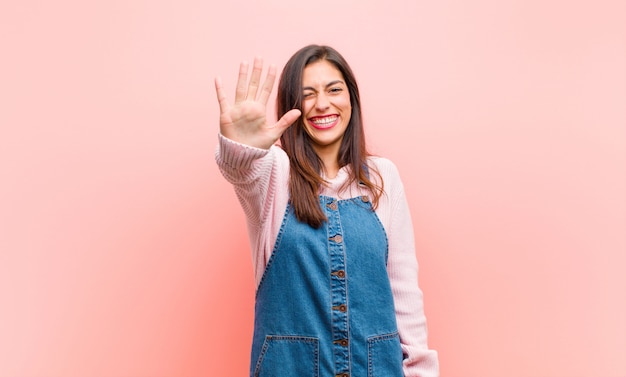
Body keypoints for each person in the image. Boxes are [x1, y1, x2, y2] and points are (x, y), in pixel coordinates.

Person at [214, 44, 439, 377]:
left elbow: (404, 291)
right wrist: (241, 147)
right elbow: (242, 171)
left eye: (334, 90)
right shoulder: (274, 172)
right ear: (292, 106)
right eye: (308, 94)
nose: (322, 104)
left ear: (351, 99)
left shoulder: (382, 177)